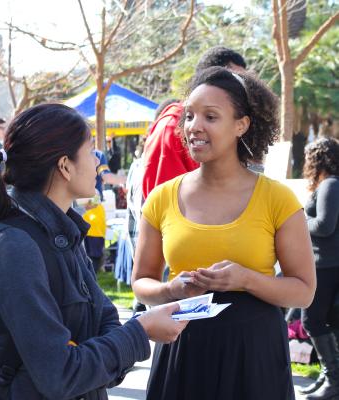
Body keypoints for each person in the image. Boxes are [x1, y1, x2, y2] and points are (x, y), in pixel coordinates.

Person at [0, 103, 187, 399]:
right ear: (65, 166)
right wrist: (140, 331)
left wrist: (123, 338)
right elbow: (60, 375)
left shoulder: (63, 232)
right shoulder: (14, 249)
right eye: (91, 149)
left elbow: (104, 318)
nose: (98, 162)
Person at [132, 66, 316, 400]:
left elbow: (303, 291)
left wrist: (246, 280)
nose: (194, 127)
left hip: (254, 358)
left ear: (241, 125)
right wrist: (170, 289)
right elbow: (141, 281)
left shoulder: (278, 199)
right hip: (182, 354)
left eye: (210, 117)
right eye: (189, 116)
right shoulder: (161, 198)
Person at [142, 46, 247, 199]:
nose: (242, 89)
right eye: (236, 80)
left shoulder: (237, 125)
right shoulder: (171, 127)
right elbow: (164, 212)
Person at [299, 138, 339, 400]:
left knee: (311, 320)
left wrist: (299, 219)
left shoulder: (330, 185)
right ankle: (330, 378)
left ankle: (333, 381)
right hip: (326, 265)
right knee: (327, 322)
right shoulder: (330, 184)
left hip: (326, 266)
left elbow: (324, 226)